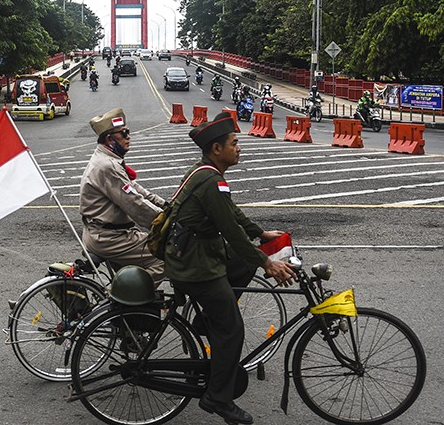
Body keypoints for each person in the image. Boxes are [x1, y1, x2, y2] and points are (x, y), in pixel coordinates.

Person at [164, 113, 297, 424]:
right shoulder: (210, 180)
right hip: (195, 265)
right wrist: (268, 263)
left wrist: (261, 234)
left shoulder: (207, 173)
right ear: (216, 148)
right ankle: (218, 398)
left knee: (240, 264)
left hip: (196, 254)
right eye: (234, 144)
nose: (239, 148)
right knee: (232, 328)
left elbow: (232, 212)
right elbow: (231, 231)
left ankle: (205, 318)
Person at [79, 108, 166, 283]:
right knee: (167, 255)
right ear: (110, 139)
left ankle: (131, 304)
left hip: (109, 234)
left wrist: (165, 205)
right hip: (110, 238)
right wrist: (164, 221)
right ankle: (128, 299)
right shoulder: (107, 165)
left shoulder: (108, 159)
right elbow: (134, 203)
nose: (129, 137)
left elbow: (134, 189)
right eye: (124, 133)